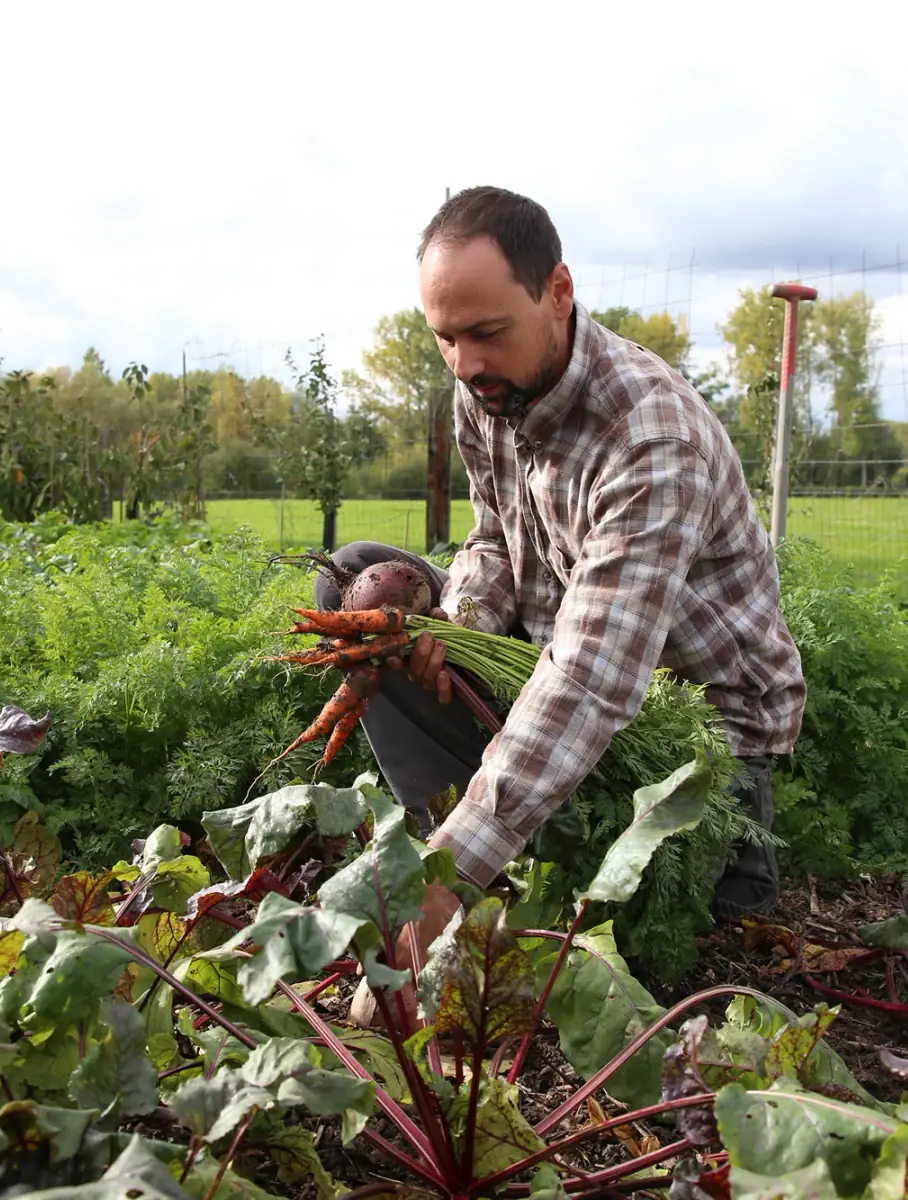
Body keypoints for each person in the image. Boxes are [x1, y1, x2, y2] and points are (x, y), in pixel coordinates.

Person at [322, 186, 806, 1013]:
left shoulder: (651, 437)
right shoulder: (486, 387)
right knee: (354, 575)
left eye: (485, 333)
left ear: (558, 292)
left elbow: (591, 677)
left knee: (685, 964)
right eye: (445, 338)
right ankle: (462, 821)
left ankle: (471, 857)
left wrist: (445, 879)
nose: (465, 363)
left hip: (689, 742)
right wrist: (462, 622)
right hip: (549, 673)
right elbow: (490, 541)